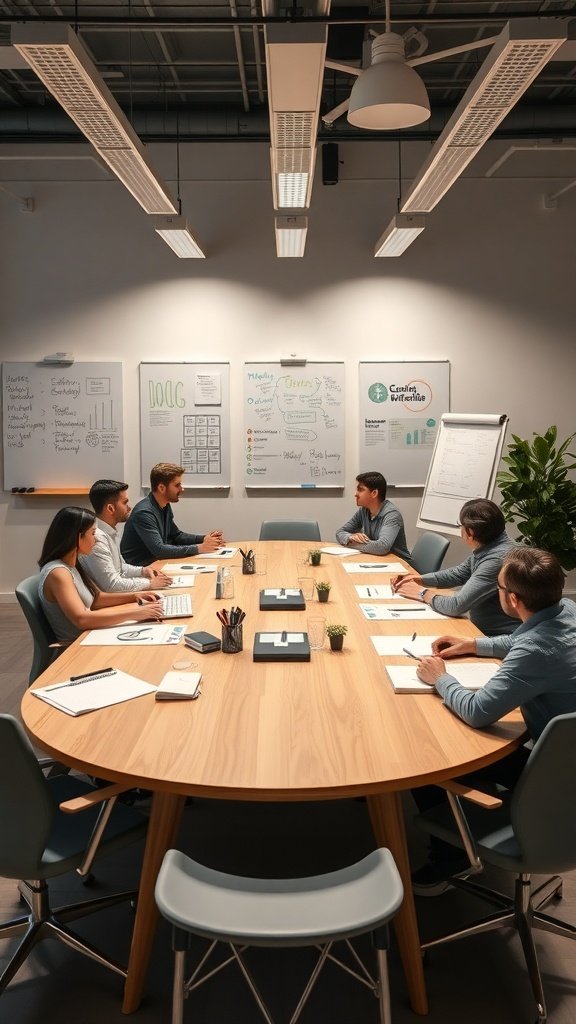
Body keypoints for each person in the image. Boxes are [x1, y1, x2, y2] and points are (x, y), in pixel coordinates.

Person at [412, 546, 576, 893]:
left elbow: (476, 711)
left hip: (552, 776)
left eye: (499, 589)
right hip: (566, 759)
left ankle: (450, 859)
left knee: (429, 758)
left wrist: (440, 677)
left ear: (513, 599)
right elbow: (520, 640)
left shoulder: (535, 651)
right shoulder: (567, 610)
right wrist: (472, 644)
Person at [38, 506, 164, 645]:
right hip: (78, 646)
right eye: (92, 534)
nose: (96, 540)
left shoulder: (72, 564)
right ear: (77, 537)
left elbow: (95, 599)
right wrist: (134, 613)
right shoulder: (59, 573)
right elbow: (81, 619)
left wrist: (134, 597)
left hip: (93, 635)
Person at [391, 498, 516, 636]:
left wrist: (421, 593)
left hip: (496, 637)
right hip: (481, 631)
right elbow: (459, 574)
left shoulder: (496, 560)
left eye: (460, 525)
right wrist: (419, 579)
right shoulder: (492, 545)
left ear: (470, 533)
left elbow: (456, 606)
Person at [120, 463, 224, 566]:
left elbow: (176, 536)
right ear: (161, 488)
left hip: (157, 563)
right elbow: (159, 550)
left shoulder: (164, 505)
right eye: (177, 485)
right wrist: (199, 548)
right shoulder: (144, 513)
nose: (182, 489)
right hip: (141, 569)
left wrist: (204, 538)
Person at [80, 479, 173, 593]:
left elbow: (120, 568)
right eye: (125, 503)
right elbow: (111, 585)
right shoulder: (97, 538)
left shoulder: (109, 532)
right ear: (110, 508)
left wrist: (143, 571)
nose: (129, 508)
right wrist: (149, 583)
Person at [335, 471, 410, 560]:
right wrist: (350, 537)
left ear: (374, 493)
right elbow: (340, 532)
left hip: (401, 566)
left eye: (360, 489)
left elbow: (382, 547)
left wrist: (351, 542)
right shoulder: (363, 511)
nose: (355, 494)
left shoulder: (392, 515)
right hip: (378, 561)